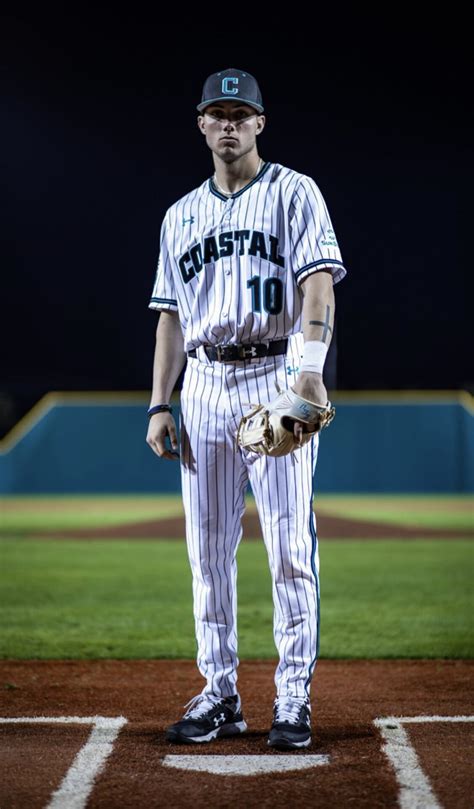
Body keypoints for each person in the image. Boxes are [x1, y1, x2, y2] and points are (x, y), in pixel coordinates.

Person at [146, 68, 347, 750]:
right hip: (201, 383)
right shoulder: (179, 217)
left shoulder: (295, 193)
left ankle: (293, 700)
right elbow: (170, 319)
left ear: (260, 122)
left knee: (290, 548)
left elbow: (318, 285)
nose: (229, 123)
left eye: (241, 112)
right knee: (208, 554)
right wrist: (157, 403)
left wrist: (309, 374)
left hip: (273, 374)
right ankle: (220, 694)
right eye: (218, 112)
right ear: (200, 123)